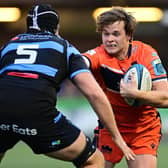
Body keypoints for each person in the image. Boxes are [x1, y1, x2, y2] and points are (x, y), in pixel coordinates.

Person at [0, 4, 135, 168]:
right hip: (37, 112)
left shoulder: (9, 46)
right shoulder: (64, 47)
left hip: (2, 110)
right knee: (94, 160)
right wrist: (116, 136)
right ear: (56, 27)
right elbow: (94, 94)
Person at [82, 7, 168, 168]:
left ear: (129, 36)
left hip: (143, 129)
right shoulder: (99, 54)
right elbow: (80, 62)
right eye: (105, 34)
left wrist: (136, 94)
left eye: (115, 34)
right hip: (110, 127)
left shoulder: (146, 54)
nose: (109, 39)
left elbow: (166, 97)